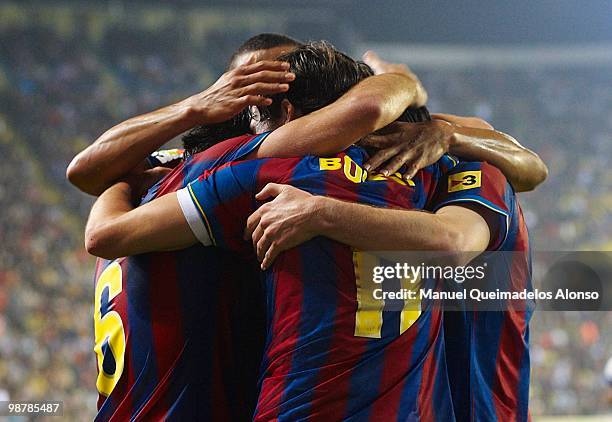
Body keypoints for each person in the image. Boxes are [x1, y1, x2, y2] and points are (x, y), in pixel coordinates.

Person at [84, 42, 530, 421]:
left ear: (288, 111)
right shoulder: (434, 168)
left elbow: (102, 225)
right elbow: (503, 170)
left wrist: (120, 180)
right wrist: (411, 92)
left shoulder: (252, 174)